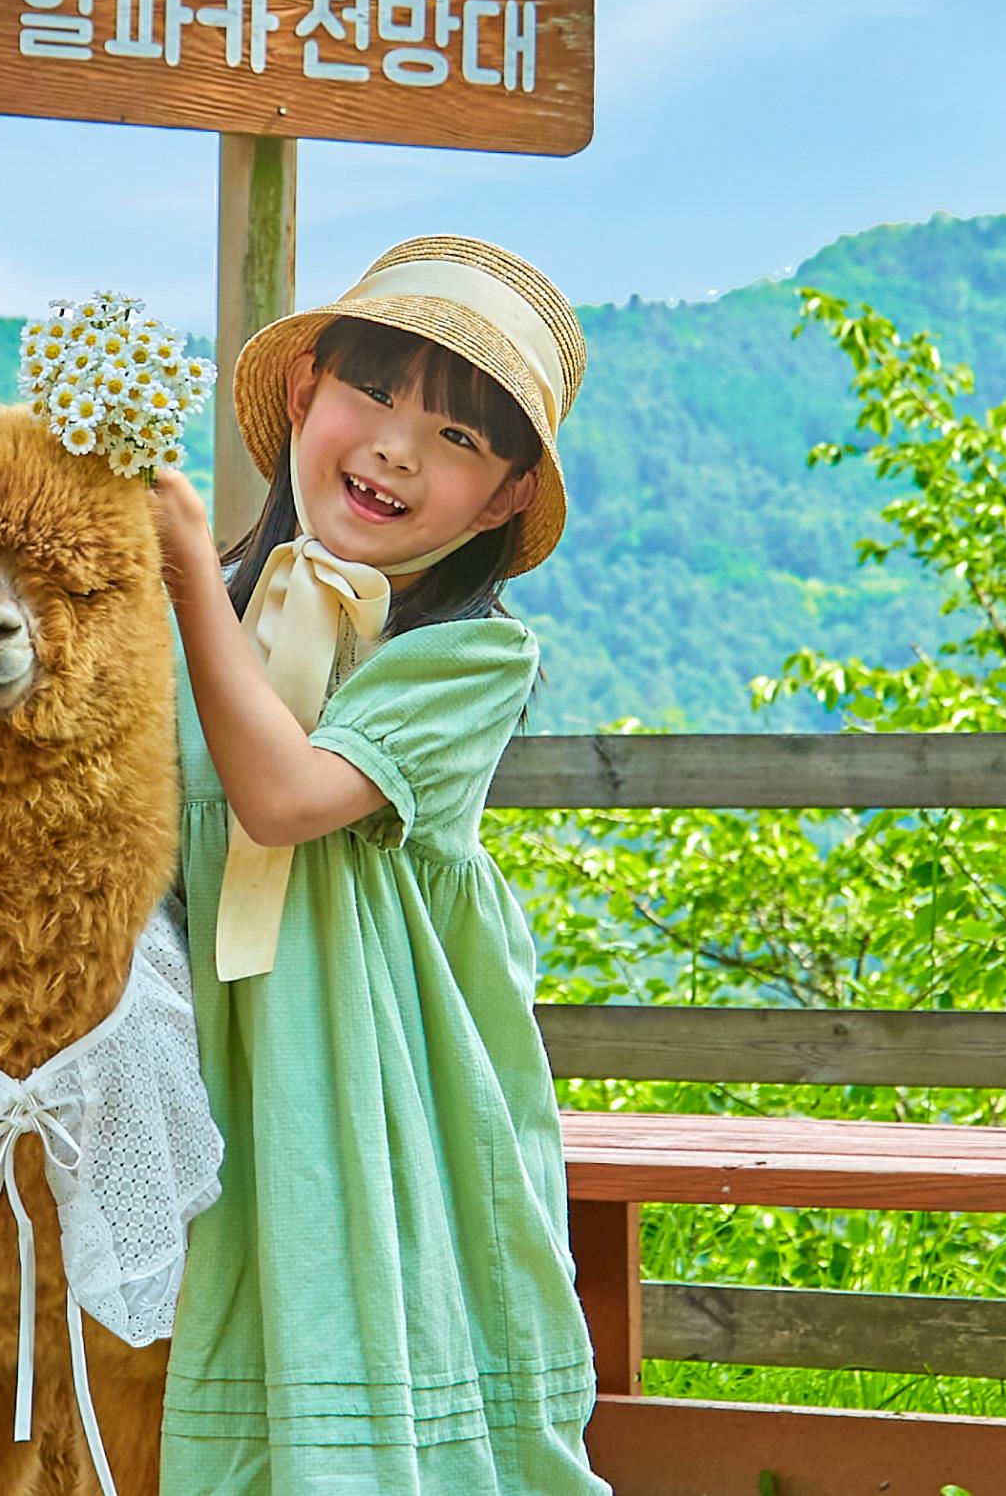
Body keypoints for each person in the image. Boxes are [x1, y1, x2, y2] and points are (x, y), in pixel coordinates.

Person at [148, 235, 608, 1495]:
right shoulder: (189, 606)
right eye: (374, 396)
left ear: (510, 496)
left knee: (362, 1337)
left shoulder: (466, 657)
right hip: (187, 1047)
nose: (398, 447)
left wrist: (186, 566)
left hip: (371, 1077)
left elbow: (285, 797)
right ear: (305, 398)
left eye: (459, 438)